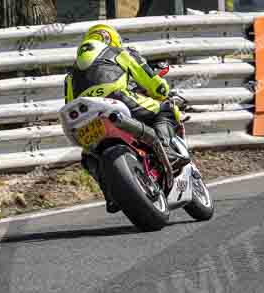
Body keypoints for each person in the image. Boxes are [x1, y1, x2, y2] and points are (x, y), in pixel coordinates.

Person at [64, 23, 189, 212]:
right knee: (166, 109)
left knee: (88, 155)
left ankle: (111, 194)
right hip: (116, 97)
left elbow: (69, 101)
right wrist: (164, 92)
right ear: (111, 38)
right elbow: (153, 83)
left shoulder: (71, 75)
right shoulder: (120, 52)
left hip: (85, 111)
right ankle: (168, 153)